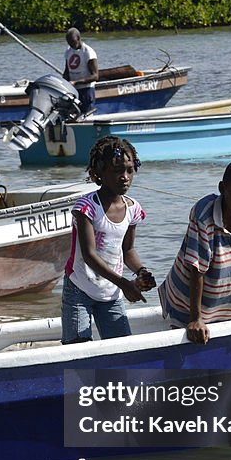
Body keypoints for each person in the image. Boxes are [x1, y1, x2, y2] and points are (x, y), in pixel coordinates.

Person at [158, 159, 231, 345]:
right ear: (222, 188)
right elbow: (197, 269)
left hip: (223, 297)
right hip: (186, 298)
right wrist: (195, 319)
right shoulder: (203, 215)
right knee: (191, 336)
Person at [62, 136, 156, 344]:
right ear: (99, 174)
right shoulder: (86, 207)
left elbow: (128, 250)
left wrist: (141, 272)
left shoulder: (133, 209)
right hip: (80, 286)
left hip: (110, 292)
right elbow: (89, 256)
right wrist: (125, 284)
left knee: (121, 347)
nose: (124, 177)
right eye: (117, 171)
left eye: (129, 170)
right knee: (77, 349)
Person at [62, 27, 99, 114]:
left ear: (78, 38)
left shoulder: (88, 52)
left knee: (87, 117)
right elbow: (67, 71)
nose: (71, 44)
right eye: (68, 42)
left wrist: (76, 82)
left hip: (86, 90)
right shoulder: (68, 51)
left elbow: (95, 76)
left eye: (72, 41)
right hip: (73, 91)